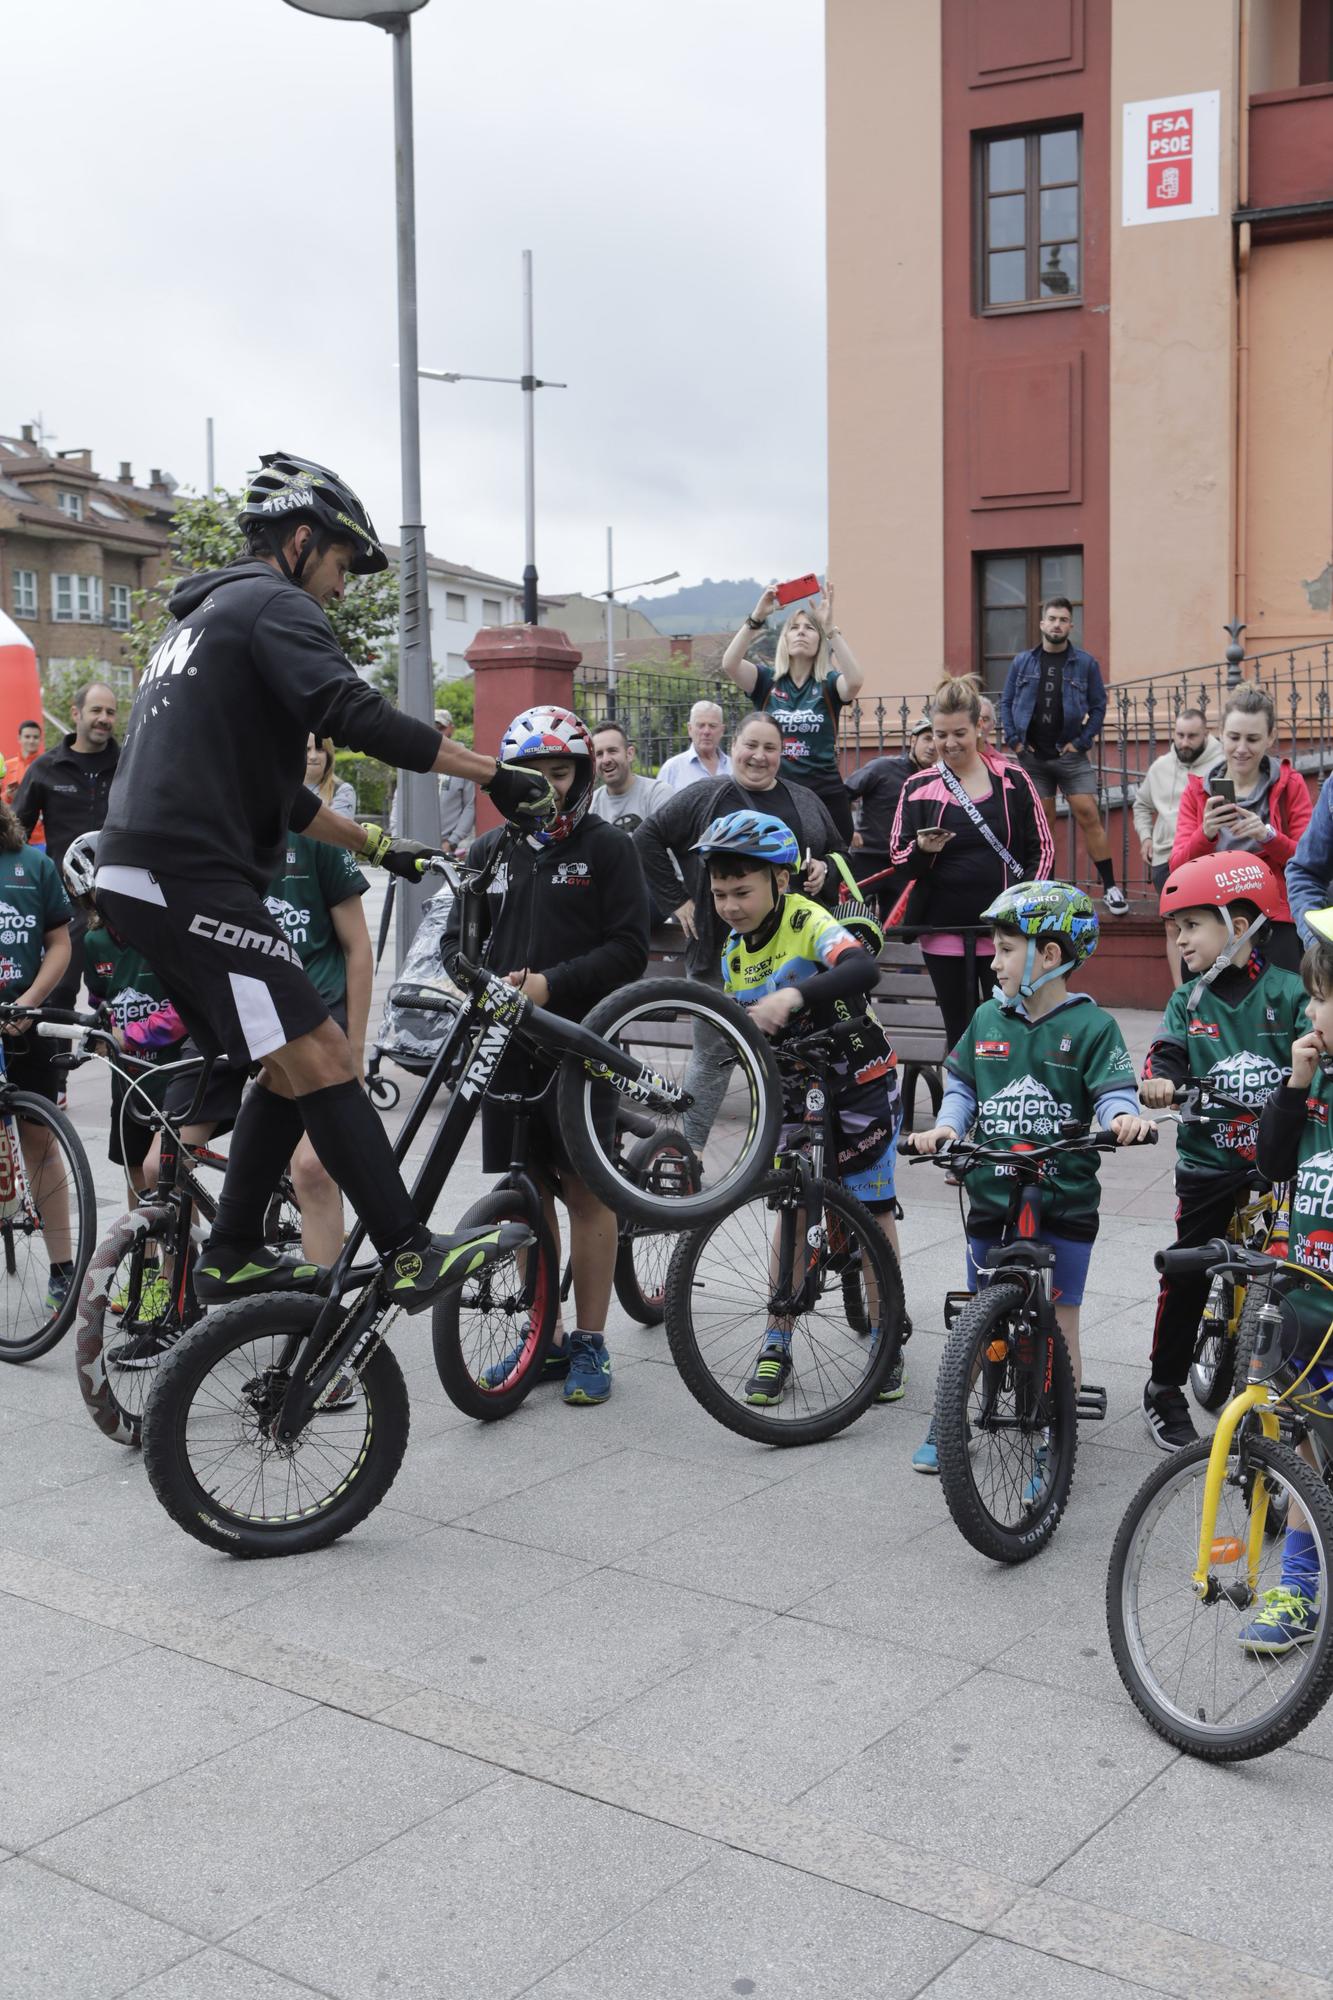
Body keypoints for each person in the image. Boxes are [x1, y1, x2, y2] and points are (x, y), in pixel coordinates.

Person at [93, 450, 555, 1314]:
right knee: (327, 1050)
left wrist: (383, 848)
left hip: (145, 876)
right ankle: (408, 1251)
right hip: (185, 875)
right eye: (341, 565)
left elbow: (279, 797)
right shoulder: (275, 603)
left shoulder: (204, 622)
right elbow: (357, 714)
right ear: (301, 542)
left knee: (286, 1058)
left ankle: (230, 1249)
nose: (339, 590)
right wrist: (493, 773)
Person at [904, 882, 1153, 1474]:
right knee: (975, 1311)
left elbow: (1115, 1091)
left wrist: (1122, 1118)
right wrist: (945, 1128)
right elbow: (962, 1084)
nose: (994, 959)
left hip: (1063, 1195)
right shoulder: (989, 1017)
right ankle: (950, 1419)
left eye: (1007, 947)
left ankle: (1055, 1426)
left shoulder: (1092, 1027)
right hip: (992, 1189)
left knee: (1061, 1317)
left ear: (1049, 955)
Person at [441, 706, 650, 1406]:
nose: (546, 788)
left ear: (581, 775)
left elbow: (629, 950)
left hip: (580, 1045)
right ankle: (545, 1337)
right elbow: (453, 945)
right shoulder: (487, 851)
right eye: (530, 776)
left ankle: (590, 1343)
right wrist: (474, 978)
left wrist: (548, 986)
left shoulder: (608, 848)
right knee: (526, 1196)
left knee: (585, 1190)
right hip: (503, 1049)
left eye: (559, 774)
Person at [695, 810, 907, 1405]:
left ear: (779, 882)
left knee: (873, 1205)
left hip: (859, 1075)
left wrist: (794, 992)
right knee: (789, 1210)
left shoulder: (807, 918)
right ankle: (777, 1339)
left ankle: (889, 1334)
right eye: (719, 894)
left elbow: (862, 967)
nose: (731, 905)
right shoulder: (734, 954)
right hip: (796, 1088)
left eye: (742, 891)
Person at [1138, 855, 1305, 1450]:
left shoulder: (1289, 992)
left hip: (1276, 1161)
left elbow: (1315, 1045)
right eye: (1176, 928)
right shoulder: (1188, 1001)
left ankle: (1287, 1389)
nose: (1180, 940)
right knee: (1186, 1273)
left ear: (1239, 924)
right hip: (1209, 1160)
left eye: (1191, 927)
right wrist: (1160, 1078)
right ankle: (1162, 1390)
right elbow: (1167, 1052)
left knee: (1296, 1273)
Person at [634, 711, 846, 1149]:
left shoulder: (805, 800)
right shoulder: (705, 795)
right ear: (734, 747)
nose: (759, 756)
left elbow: (842, 855)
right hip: (719, 954)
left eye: (770, 748)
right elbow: (646, 838)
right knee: (712, 1058)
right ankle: (686, 1156)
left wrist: (827, 868)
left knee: (798, 1062)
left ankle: (796, 1160)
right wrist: (678, 898)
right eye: (751, 745)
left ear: (781, 754)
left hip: (798, 960)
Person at [1244, 910, 1333, 1654]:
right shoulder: (1315, 1084)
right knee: (1303, 1452)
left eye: (1321, 998)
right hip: (1306, 1304)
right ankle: (1299, 1590)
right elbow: (1270, 1166)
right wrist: (1294, 1088)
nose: (1309, 1012)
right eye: (1308, 997)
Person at [888, 677, 1053, 1056]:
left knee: (1010, 1026)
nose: (948, 744)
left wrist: (1024, 906)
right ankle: (960, 1111)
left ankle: (1005, 1107)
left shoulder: (1013, 779)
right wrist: (922, 849)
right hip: (943, 932)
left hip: (1006, 932)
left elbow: (1042, 847)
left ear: (980, 727)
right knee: (959, 1029)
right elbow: (898, 858)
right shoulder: (917, 786)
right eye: (940, 734)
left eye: (959, 733)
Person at [264, 827, 372, 1265]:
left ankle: (319, 1319)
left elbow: (358, 946)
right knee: (166, 1163)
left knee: (312, 1169)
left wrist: (357, 1049)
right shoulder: (218, 828)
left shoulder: (318, 838)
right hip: (256, 1027)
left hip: (321, 1023)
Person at [1169, 684, 1310, 973]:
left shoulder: (1290, 784)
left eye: (1253, 739)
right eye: (1233, 737)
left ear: (1271, 737)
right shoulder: (1198, 790)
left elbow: (1308, 860)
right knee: (1206, 1012)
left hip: (1275, 919)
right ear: (1220, 732)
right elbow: (1178, 868)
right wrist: (1205, 834)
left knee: (1280, 1008)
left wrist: (1267, 836)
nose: (1242, 749)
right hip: (1213, 918)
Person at [998, 598, 1126, 913]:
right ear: (1042, 624)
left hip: (1070, 754)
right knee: (1043, 823)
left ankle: (1110, 887)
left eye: (1063, 619)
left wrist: (1083, 742)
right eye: (1052, 618)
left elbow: (1098, 705)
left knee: (1088, 814)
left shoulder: (1085, 663)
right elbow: (1006, 701)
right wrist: (1014, 742)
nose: (1057, 624)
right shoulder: (1023, 662)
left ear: (1071, 626)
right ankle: (1046, 887)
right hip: (1032, 758)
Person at [0, 797, 76, 1312]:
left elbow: (60, 942)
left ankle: (62, 1267)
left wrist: (30, 1002)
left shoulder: (33, 863)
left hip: (24, 1018)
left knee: (40, 1141)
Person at [721, 583, 863, 842]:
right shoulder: (765, 681)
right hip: (777, 790)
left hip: (826, 793)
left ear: (820, 640)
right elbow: (729, 664)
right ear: (784, 639)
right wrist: (758, 616)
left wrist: (830, 628)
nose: (801, 633)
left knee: (833, 867)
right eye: (794, 628)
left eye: (810, 628)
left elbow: (854, 681)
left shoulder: (829, 683)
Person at [13, 680, 120, 1013]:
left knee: (130, 991)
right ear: (76, 713)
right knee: (58, 992)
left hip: (123, 898)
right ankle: (55, 1063)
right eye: (96, 710)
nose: (104, 718)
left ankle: (130, 1065)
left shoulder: (130, 764)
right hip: (67, 902)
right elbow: (16, 832)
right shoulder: (45, 768)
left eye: (111, 712)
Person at [1132, 708, 1218, 986]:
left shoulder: (1222, 762)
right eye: (1180, 735)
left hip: (1207, 855)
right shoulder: (1161, 767)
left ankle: (1213, 985)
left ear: (1206, 733)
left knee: (1207, 921)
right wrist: (1145, 836)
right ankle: (1180, 994)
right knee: (1173, 926)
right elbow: (1141, 804)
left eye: (1192, 736)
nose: (1184, 742)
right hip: (1166, 858)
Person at [846, 717, 935, 856]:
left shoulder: (937, 780)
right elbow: (843, 793)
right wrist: (847, 829)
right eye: (927, 738)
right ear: (913, 740)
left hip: (908, 860)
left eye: (937, 740)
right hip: (869, 856)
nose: (932, 746)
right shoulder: (882, 768)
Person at [588, 721, 672, 832]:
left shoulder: (657, 794)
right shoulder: (590, 805)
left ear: (629, 754)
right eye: (599, 754)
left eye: (612, 751)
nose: (605, 760)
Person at [657, 701, 732, 792]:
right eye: (701, 725)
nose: (706, 732)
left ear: (722, 730)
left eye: (712, 726)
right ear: (690, 729)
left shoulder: (734, 767)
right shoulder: (672, 769)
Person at [435, 708, 476, 858]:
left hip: (448, 846)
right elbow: (398, 801)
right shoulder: (415, 755)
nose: (437, 731)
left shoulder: (463, 760)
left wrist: (452, 841)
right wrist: (396, 833)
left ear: (451, 728)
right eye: (433, 727)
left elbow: (470, 804)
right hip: (415, 839)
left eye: (441, 727)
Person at [5, 721, 46, 842]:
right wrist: (8, 796)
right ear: (19, 738)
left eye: (35, 737)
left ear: (41, 739)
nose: (31, 741)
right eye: (27, 737)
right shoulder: (6, 766)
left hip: (41, 837)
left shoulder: (48, 766)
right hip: (11, 835)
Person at [305, 735, 357, 817]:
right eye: (307, 749)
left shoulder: (342, 790)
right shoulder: (281, 787)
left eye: (320, 749)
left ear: (329, 756)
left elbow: (337, 829)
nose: (313, 756)